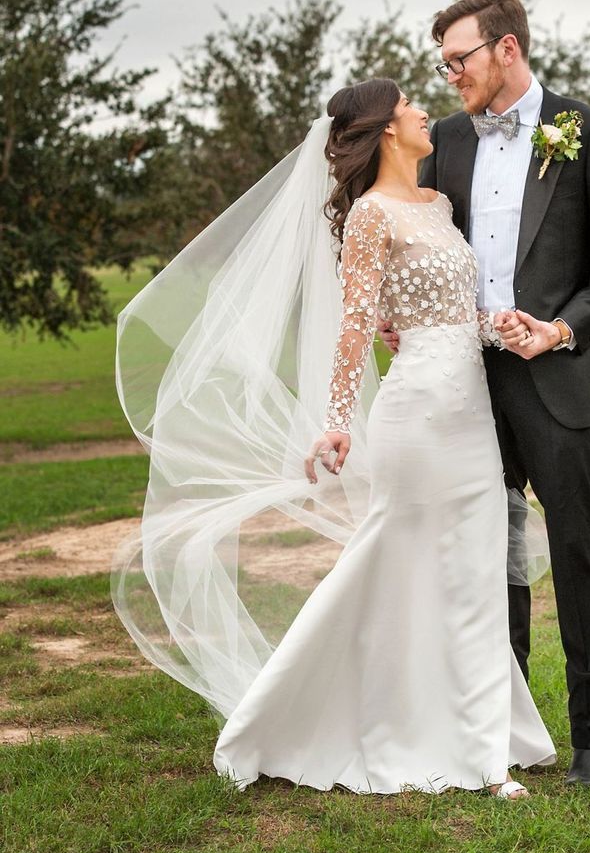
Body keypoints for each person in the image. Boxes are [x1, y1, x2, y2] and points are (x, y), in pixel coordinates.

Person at [112, 78, 555, 799]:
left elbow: (449, 311)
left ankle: (484, 747)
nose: (422, 111)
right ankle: (292, 714)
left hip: (470, 407)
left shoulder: (439, 206)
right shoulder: (372, 215)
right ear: (385, 129)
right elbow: (356, 326)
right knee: (392, 558)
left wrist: (495, 326)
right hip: (417, 415)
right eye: (409, 104)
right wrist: (337, 421)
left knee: (474, 571)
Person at [395, 0, 590, 786]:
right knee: (486, 558)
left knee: (576, 553)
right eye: (441, 64)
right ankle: (500, 733)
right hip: (465, 381)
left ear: (507, 49)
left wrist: (560, 328)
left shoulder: (588, 132)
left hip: (557, 378)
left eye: (459, 59)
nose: (450, 76)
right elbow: (417, 237)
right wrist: (399, 311)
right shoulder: (442, 141)